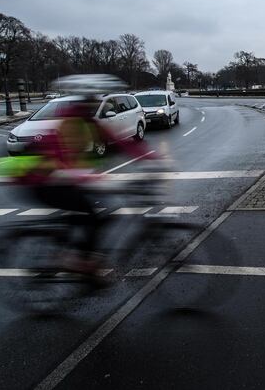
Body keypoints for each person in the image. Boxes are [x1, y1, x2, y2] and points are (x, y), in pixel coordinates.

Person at [9, 76, 156, 280]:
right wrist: (93, 180)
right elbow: (63, 162)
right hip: (43, 181)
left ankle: (80, 255)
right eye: (93, 98)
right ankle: (78, 261)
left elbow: (122, 144)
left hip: (61, 179)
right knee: (91, 215)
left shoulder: (88, 121)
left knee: (93, 213)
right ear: (86, 100)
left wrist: (152, 158)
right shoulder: (72, 122)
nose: (96, 102)